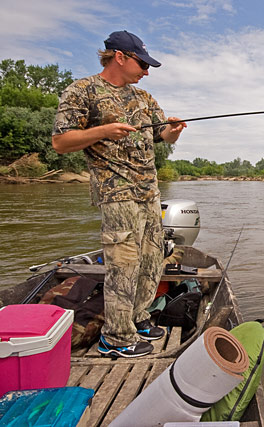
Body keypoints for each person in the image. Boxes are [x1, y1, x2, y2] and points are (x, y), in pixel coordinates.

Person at [52, 30, 187, 358]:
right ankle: (115, 338)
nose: (147, 70)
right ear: (120, 57)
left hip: (148, 194)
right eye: (142, 63)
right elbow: (60, 142)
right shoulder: (83, 91)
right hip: (117, 196)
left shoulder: (144, 99)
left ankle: (138, 318)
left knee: (153, 261)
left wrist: (173, 130)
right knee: (123, 267)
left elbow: (163, 138)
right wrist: (103, 131)